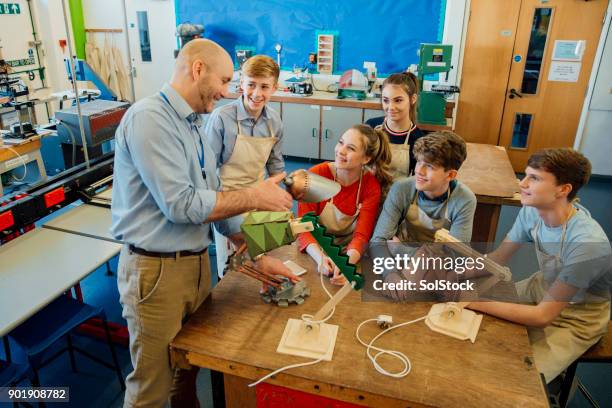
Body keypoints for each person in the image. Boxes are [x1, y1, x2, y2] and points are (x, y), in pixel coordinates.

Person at [111, 39, 297, 407]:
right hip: (156, 270)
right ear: (198, 69)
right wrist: (256, 196)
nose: (228, 91)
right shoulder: (150, 118)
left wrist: (257, 255)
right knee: (153, 386)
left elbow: (214, 201)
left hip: (195, 263)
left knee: (186, 371)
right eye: (226, 80)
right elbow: (182, 205)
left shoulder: (194, 125)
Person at [466, 148, 611, 384]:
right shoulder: (531, 212)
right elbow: (498, 258)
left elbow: (542, 315)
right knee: (479, 329)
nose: (522, 184)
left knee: (517, 380)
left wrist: (473, 301)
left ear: (563, 190)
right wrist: (451, 274)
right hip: (540, 287)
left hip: (577, 318)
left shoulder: (588, 244)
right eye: (525, 175)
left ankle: (557, 387)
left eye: (534, 178)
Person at [370, 131, 476, 299]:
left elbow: (456, 256)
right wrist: (389, 274)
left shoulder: (465, 200)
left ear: (450, 175)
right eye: (419, 162)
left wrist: (400, 250)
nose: (419, 170)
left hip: (440, 273)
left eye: (430, 166)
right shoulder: (401, 189)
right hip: (403, 266)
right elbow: (378, 240)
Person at [205, 54, 284, 277]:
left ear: (274, 88)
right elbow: (208, 172)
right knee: (233, 269)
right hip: (228, 201)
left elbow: (275, 163)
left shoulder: (274, 121)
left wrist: (280, 200)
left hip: (260, 198)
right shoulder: (222, 119)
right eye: (251, 85)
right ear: (241, 83)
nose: (257, 94)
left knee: (265, 257)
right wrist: (217, 211)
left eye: (264, 87)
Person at [297, 124, 392, 285]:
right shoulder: (316, 175)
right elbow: (304, 227)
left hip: (350, 251)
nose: (341, 151)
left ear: (366, 159)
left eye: (351, 148)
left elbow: (361, 236)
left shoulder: (370, 186)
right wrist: (320, 258)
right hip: (314, 249)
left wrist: (345, 264)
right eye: (340, 142)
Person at [365, 72, 425, 178]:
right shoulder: (371, 127)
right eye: (386, 100)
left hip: (398, 194)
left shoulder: (419, 140)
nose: (391, 107)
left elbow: (415, 182)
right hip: (368, 193)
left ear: (413, 99)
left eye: (398, 100)